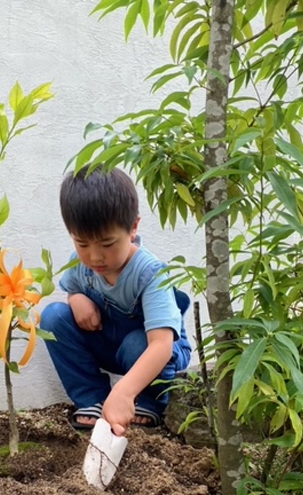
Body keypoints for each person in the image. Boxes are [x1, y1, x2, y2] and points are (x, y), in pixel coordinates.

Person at [40, 165, 192, 436]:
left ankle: (149, 401)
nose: (95, 257)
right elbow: (72, 290)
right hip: (111, 344)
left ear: (133, 227)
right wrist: (75, 299)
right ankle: (92, 399)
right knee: (53, 317)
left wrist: (123, 392)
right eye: (82, 244)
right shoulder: (80, 264)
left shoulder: (150, 273)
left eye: (107, 244)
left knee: (139, 342)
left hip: (154, 351)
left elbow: (161, 345)